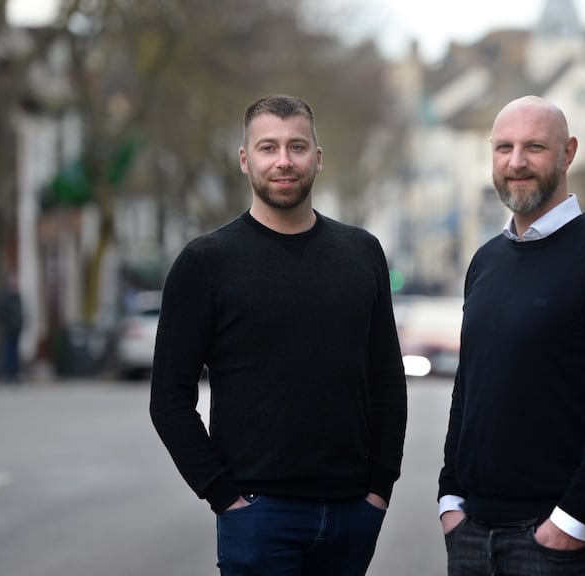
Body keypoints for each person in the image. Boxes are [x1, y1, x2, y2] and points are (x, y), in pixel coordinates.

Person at [149, 94, 407, 576]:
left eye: (297, 147)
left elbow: (387, 381)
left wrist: (379, 490)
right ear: (245, 160)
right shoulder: (206, 263)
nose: (284, 161)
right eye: (268, 148)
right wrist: (223, 496)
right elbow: (168, 397)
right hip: (259, 515)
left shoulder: (362, 253)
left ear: (318, 157)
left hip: (352, 511)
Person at [438, 96, 585, 576]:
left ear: (568, 152)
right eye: (504, 148)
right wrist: (449, 498)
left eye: (534, 147)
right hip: (472, 537)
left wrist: (573, 519)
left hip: (559, 543)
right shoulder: (486, 261)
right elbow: (467, 388)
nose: (516, 162)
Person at [0, 272, 24, 383]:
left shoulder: (17, 296)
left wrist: (21, 324)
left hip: (17, 330)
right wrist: (4, 325)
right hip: (8, 329)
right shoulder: (4, 297)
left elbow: (20, 313)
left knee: (14, 353)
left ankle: (14, 374)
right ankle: (3, 374)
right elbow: (0, 314)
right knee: (6, 352)